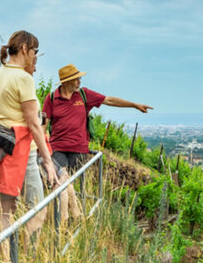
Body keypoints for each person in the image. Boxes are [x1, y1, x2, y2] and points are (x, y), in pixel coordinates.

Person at [0, 31, 57, 233]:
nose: (35, 55)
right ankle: (29, 258)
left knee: (6, 207)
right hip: (24, 150)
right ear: (25, 49)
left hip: (2, 146)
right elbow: (34, 124)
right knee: (37, 209)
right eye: (34, 51)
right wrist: (48, 161)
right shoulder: (24, 79)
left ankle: (6, 257)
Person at [43, 64, 151, 217]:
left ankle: (70, 217)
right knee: (63, 179)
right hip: (57, 147)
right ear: (66, 81)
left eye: (79, 78)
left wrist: (134, 105)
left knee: (65, 181)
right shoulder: (52, 98)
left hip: (78, 148)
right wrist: (43, 145)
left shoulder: (84, 95)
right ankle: (70, 217)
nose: (79, 81)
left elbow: (110, 100)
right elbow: (44, 122)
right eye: (76, 79)